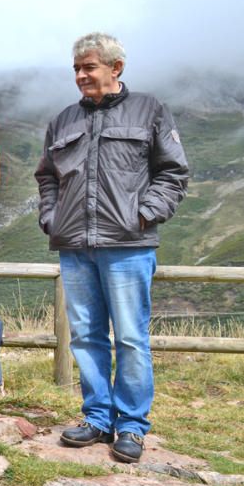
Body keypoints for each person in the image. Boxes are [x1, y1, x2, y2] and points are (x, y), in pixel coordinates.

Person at [35, 32, 189, 463]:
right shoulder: (63, 120)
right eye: (77, 69)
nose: (81, 75)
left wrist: (144, 213)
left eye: (89, 67)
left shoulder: (150, 110)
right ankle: (98, 417)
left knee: (131, 338)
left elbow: (173, 172)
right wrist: (51, 216)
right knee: (85, 337)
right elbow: (46, 176)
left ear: (115, 68)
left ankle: (132, 426)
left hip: (128, 245)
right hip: (74, 245)